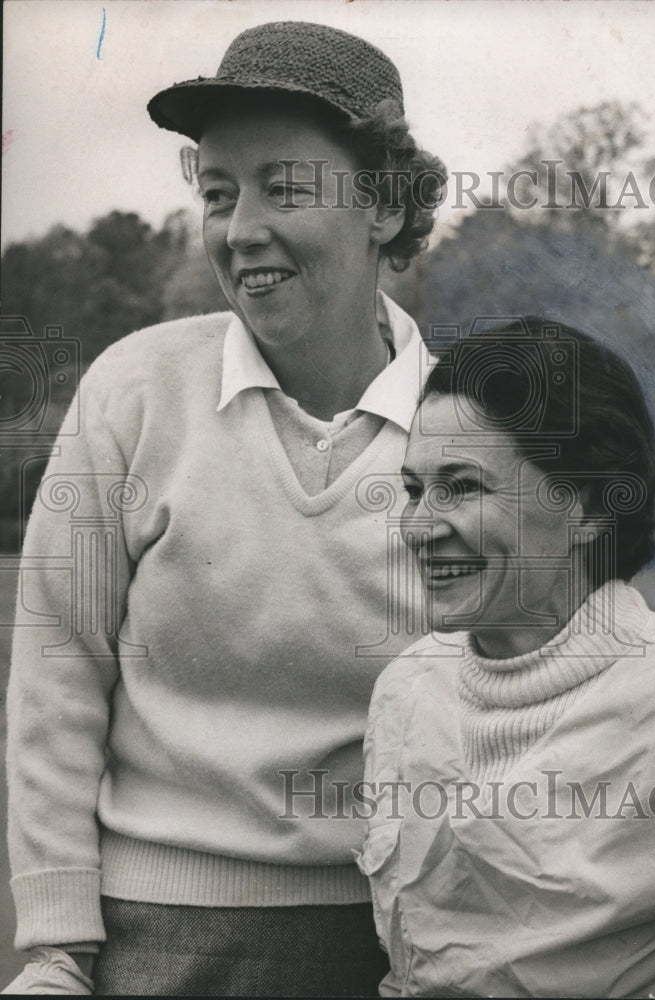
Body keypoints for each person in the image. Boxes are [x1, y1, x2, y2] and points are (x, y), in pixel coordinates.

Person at [4, 21, 446, 997]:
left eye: (282, 188)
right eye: (216, 193)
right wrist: (54, 947)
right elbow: (57, 673)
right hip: (145, 939)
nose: (239, 228)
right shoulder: (136, 389)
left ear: (382, 203)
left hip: (405, 943)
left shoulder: (468, 435)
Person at [359, 320, 655, 998]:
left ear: (585, 508)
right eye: (414, 489)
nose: (418, 526)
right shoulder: (405, 691)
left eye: (461, 486)